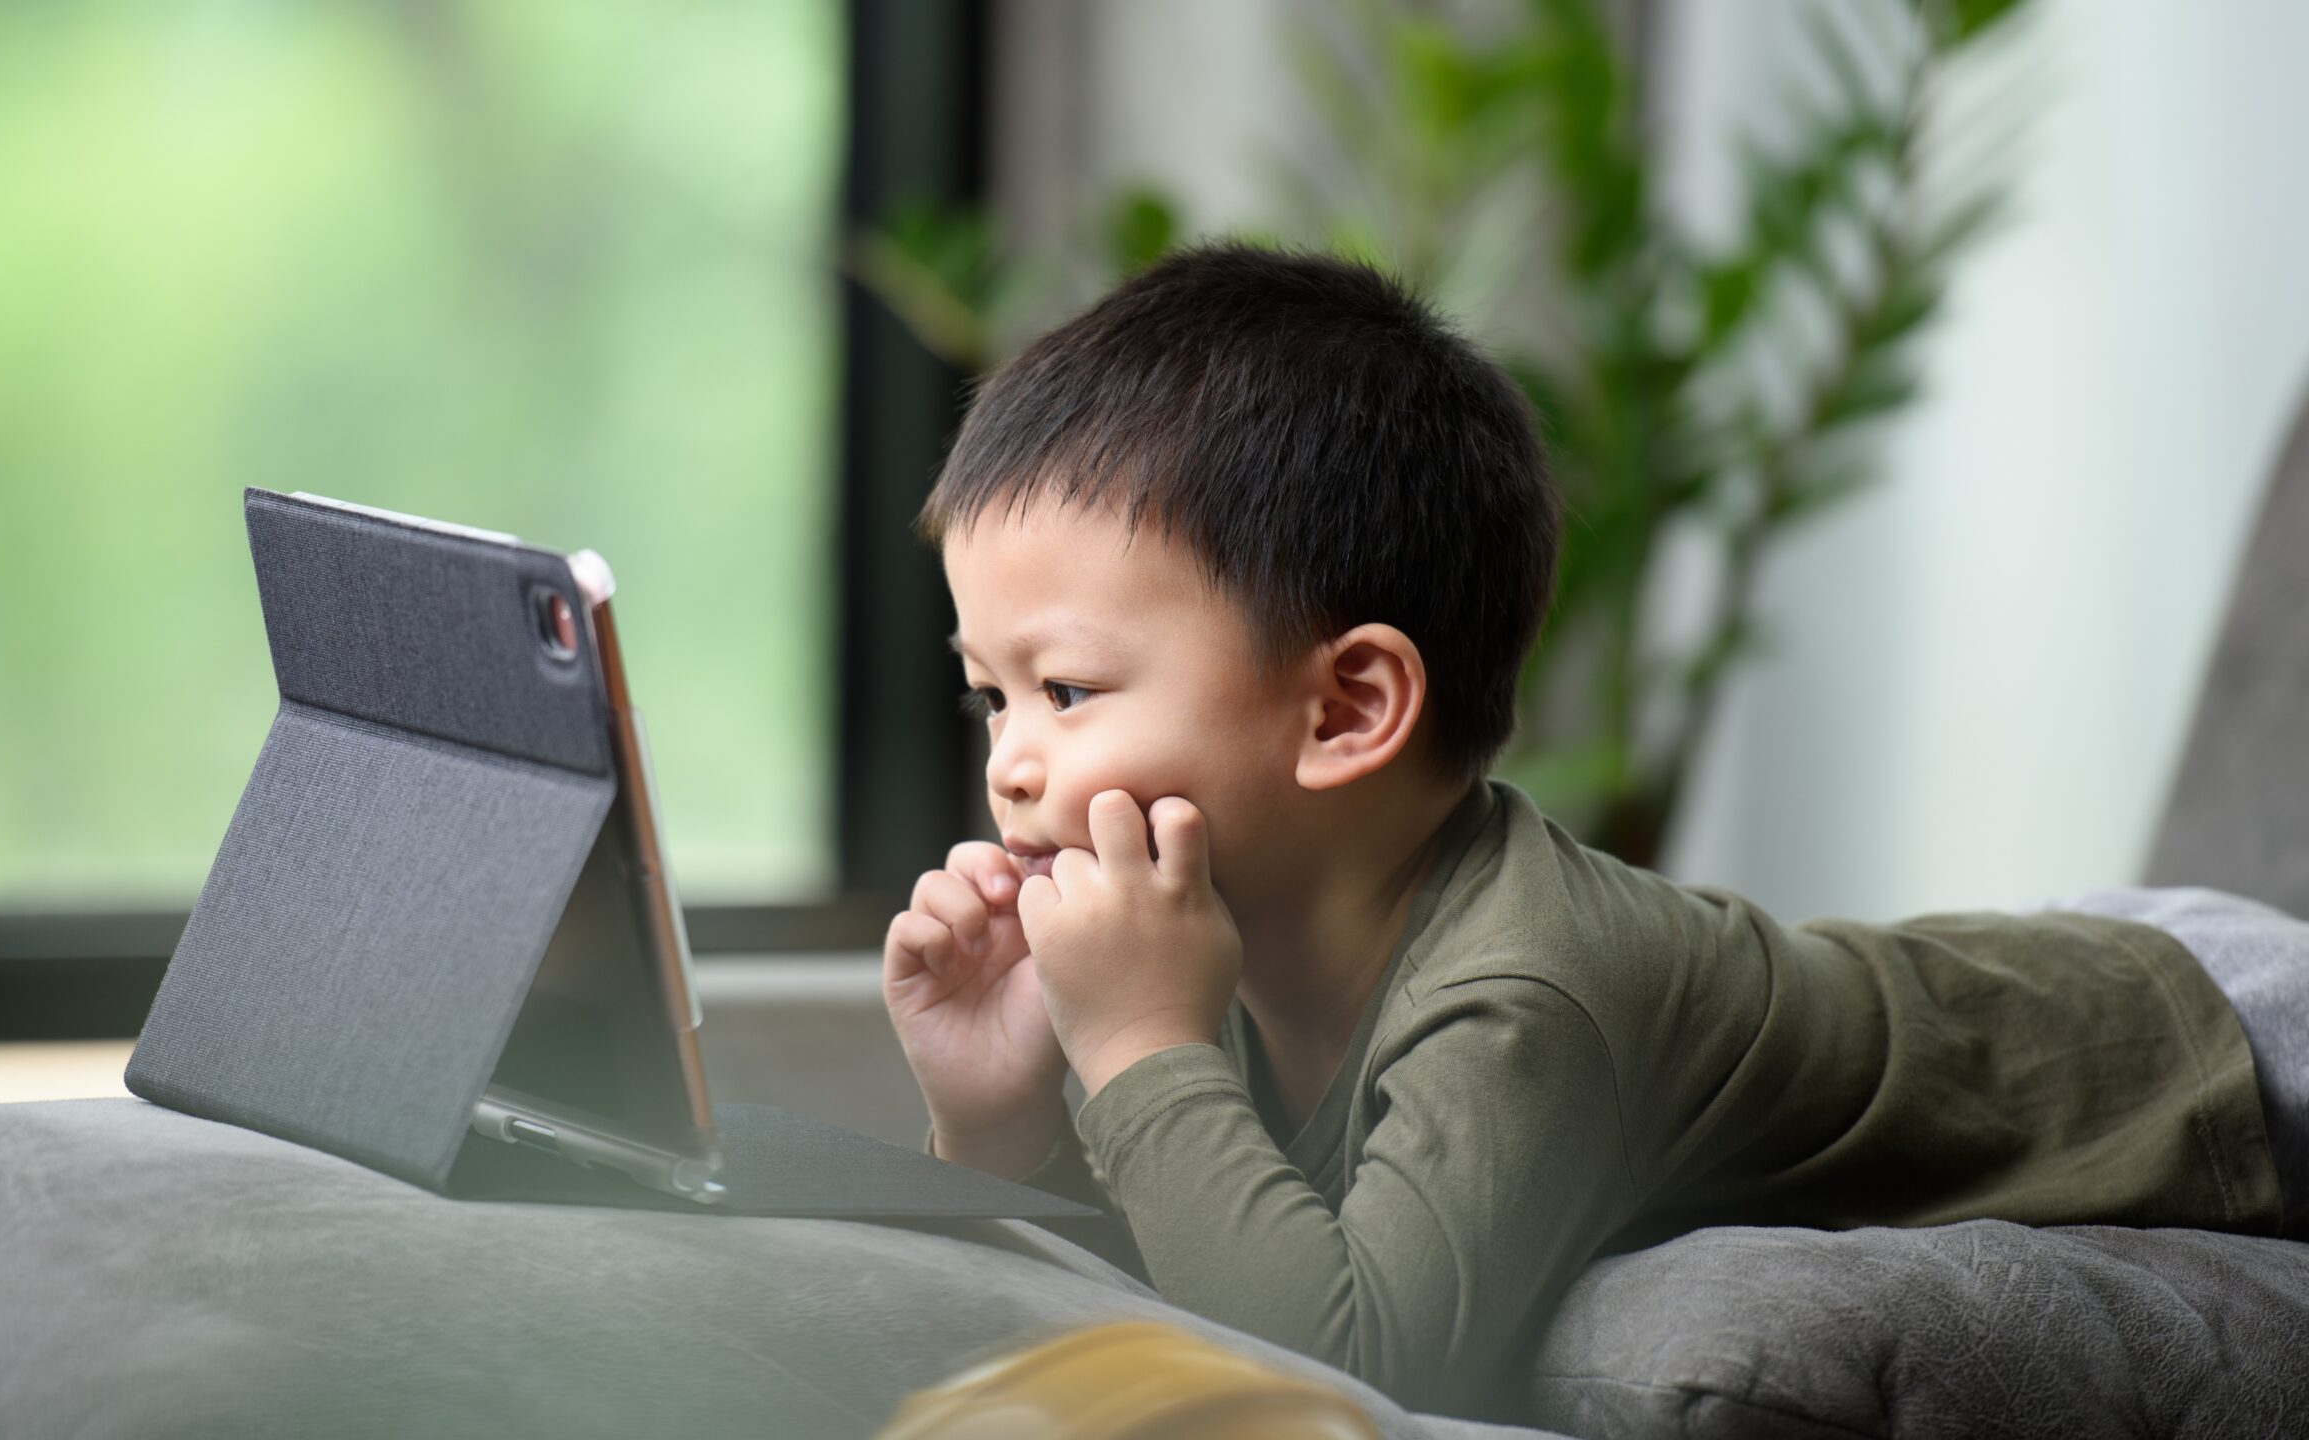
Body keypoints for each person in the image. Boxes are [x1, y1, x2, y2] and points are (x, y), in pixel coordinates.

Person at [876, 243, 2307, 1420]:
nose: (1011, 764)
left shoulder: (1527, 991)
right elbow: (1192, 1291)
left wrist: (1136, 1050)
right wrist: (997, 1121)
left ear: (1347, 710)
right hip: (2051, 970)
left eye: (1065, 690)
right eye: (989, 696)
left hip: (2211, 1042)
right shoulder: (1227, 944)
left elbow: (1345, 1368)